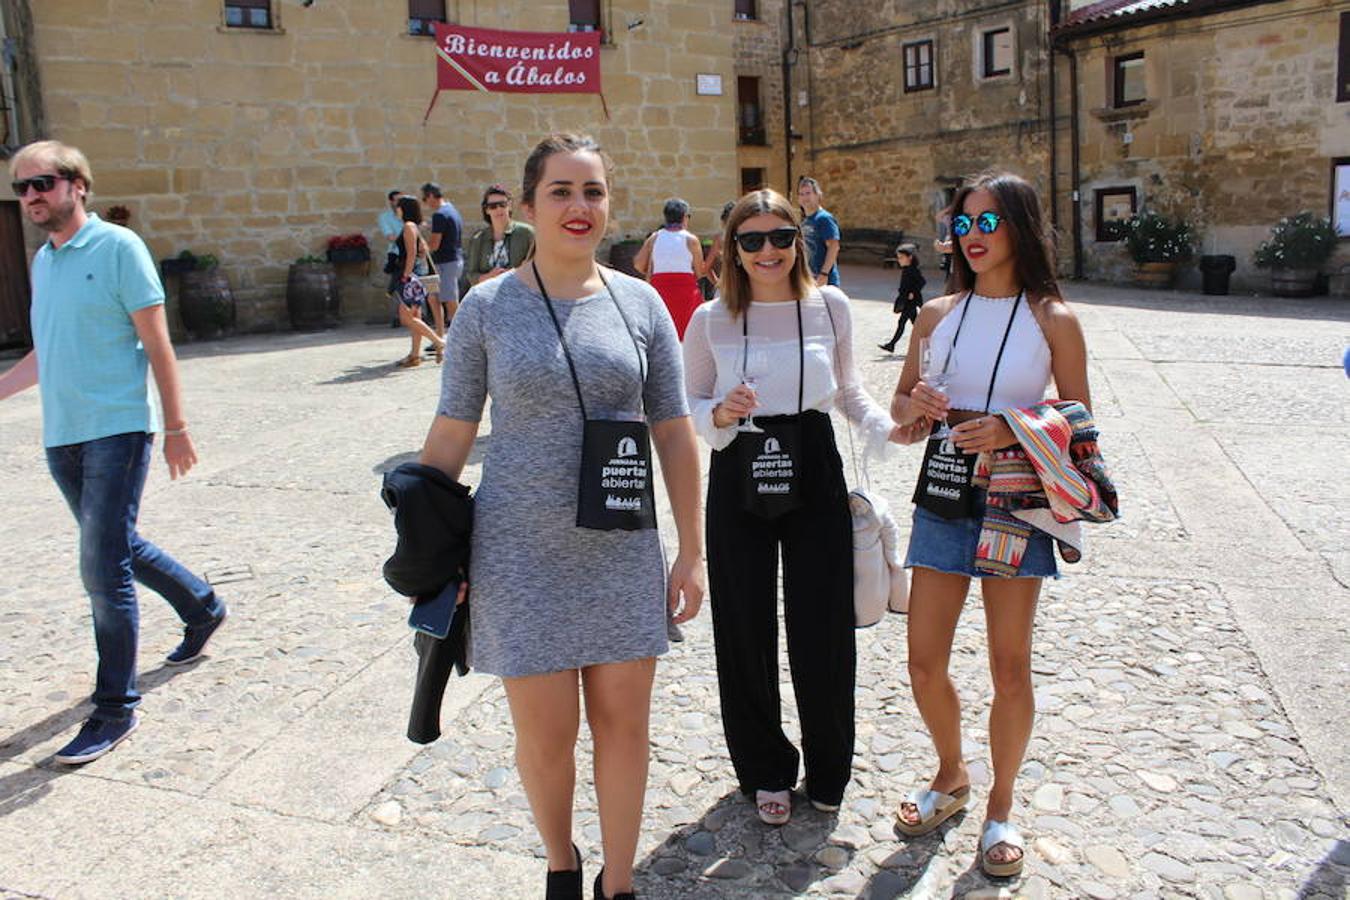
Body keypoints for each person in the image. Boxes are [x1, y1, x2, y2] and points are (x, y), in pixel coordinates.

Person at [418, 133, 705, 900]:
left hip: (620, 546)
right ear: (530, 204)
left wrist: (692, 551)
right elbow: (451, 432)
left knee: (624, 730)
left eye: (594, 192)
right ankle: (560, 863)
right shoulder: (486, 306)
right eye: (562, 191)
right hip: (517, 553)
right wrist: (426, 546)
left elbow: (674, 430)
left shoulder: (640, 302)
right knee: (545, 741)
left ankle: (620, 880)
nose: (580, 207)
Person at [888, 172, 1092, 879]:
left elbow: (1079, 421)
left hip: (1013, 502)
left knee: (1009, 666)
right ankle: (951, 772)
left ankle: (1000, 805)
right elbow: (899, 411)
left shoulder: (1053, 319)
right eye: (963, 224)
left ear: (1020, 228)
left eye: (987, 223)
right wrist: (915, 407)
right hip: (943, 494)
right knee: (922, 660)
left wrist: (1010, 428)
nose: (971, 238)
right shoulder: (937, 314)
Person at [682, 189, 907, 827]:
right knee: (744, 623)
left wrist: (888, 428)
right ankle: (764, 768)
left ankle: (829, 766)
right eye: (750, 240)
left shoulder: (828, 305)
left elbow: (850, 389)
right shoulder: (710, 319)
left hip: (812, 455)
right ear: (732, 248)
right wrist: (718, 413)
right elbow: (689, 400)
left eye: (780, 236)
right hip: (740, 462)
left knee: (823, 621)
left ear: (797, 241)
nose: (767, 251)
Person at [0, 140, 227, 764]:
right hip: (62, 436)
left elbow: (158, 344)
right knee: (118, 547)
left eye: (41, 183)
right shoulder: (44, 263)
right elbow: (46, 352)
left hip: (118, 431)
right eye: (21, 188)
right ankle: (203, 606)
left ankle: (114, 708)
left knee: (102, 570)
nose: (30, 198)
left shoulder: (119, 249)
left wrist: (176, 426)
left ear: (77, 184)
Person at [633, 197, 706, 339]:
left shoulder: (654, 238)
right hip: (686, 292)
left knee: (662, 334)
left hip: (660, 289)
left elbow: (638, 263)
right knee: (688, 335)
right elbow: (699, 271)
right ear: (684, 217)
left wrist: (653, 272)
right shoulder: (691, 240)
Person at [393, 195, 446, 368]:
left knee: (406, 317)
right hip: (417, 276)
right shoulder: (414, 226)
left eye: (398, 207)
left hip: (410, 277)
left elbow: (412, 253)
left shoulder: (408, 226)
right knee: (415, 316)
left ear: (404, 209)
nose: (396, 210)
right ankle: (414, 355)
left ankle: (439, 341)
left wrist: (406, 276)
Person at [461, 183, 535, 290]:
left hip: (521, 293)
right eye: (493, 206)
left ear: (509, 206)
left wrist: (517, 271)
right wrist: (489, 276)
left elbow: (540, 266)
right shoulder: (478, 239)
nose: (498, 209)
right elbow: (471, 276)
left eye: (502, 204)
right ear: (487, 210)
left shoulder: (527, 233)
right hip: (489, 296)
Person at [421, 182, 465, 338]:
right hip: (452, 260)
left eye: (425, 198)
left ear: (431, 196)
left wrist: (421, 248)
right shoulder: (452, 211)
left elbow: (434, 244)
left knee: (449, 299)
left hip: (445, 262)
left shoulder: (439, 215)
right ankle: (440, 337)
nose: (425, 203)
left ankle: (462, 336)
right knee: (435, 298)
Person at [879, 242, 926, 353]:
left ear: (909, 257)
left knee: (902, 323)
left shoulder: (912, 270)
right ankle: (926, 342)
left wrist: (913, 292)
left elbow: (922, 282)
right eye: (898, 257)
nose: (899, 260)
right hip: (907, 300)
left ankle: (892, 344)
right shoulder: (906, 269)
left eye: (901, 257)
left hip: (910, 301)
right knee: (915, 323)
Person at [797, 176, 840, 287]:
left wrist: (824, 273)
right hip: (809, 280)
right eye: (801, 194)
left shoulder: (824, 218)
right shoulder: (805, 221)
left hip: (825, 281)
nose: (804, 197)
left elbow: (833, 247)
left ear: (818, 195)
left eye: (808, 193)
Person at [700, 200, 735, 301]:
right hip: (746, 287)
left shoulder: (720, 239)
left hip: (726, 286)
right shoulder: (749, 237)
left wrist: (717, 283)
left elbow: (706, 268)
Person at [379, 189, 405, 327]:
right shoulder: (385, 217)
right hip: (397, 255)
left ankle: (419, 314)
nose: (399, 203)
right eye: (396, 200)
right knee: (397, 285)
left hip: (413, 254)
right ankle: (397, 316)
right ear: (390, 202)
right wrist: (408, 237)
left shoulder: (409, 214)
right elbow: (390, 237)